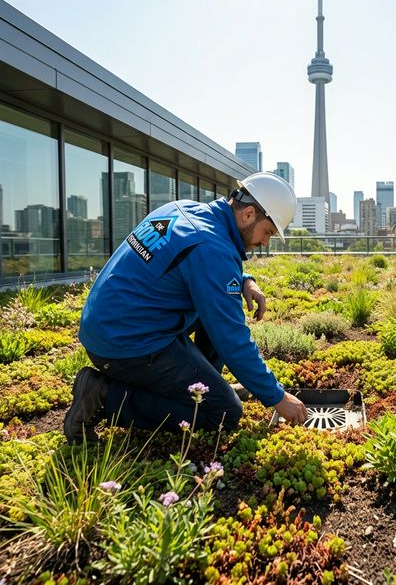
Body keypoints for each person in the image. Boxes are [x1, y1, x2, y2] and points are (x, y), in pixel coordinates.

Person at [64, 172, 308, 444]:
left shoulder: (185, 209)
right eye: (269, 232)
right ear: (249, 214)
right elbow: (232, 339)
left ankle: (204, 388)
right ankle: (102, 395)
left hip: (111, 323)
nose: (265, 242)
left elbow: (192, 262)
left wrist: (243, 280)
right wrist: (277, 397)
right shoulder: (211, 248)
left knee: (215, 312)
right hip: (125, 344)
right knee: (224, 412)